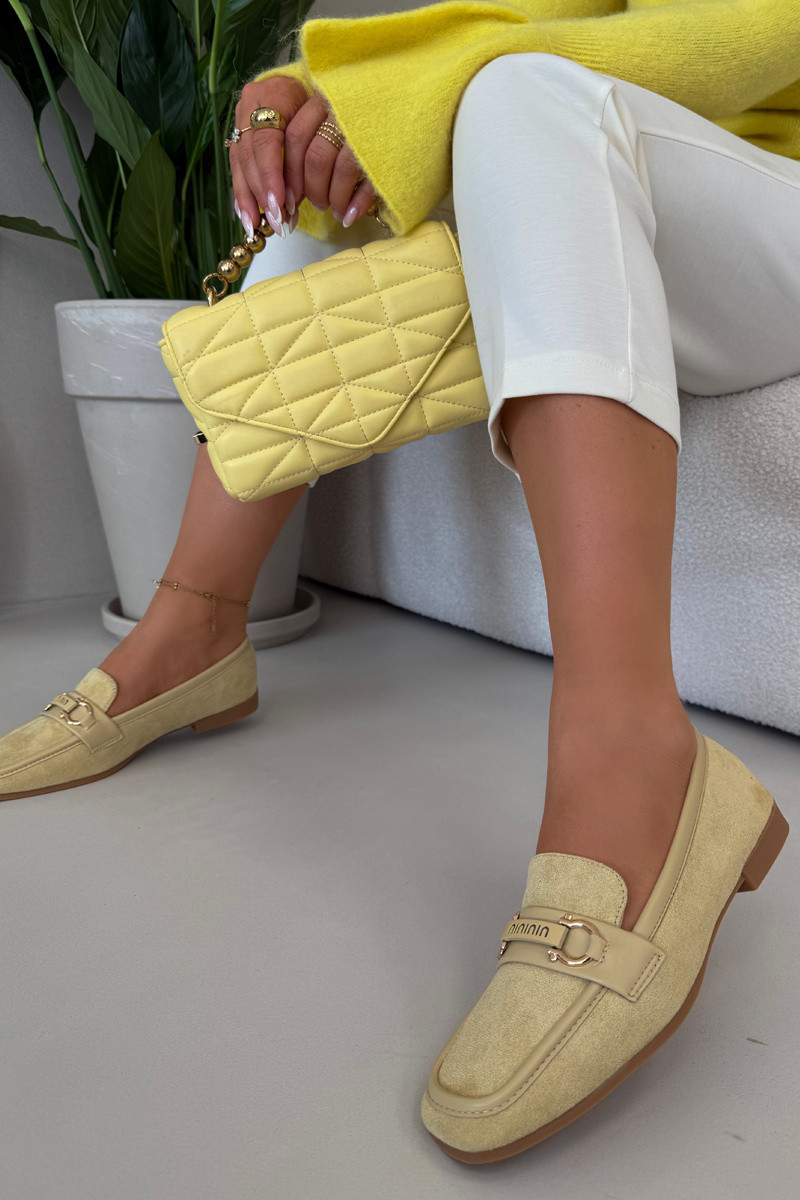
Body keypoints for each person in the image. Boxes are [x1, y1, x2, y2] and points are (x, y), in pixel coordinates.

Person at [1, 0, 797, 1166]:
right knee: (330, 174)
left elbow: (748, 38)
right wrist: (301, 102)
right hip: (648, 189)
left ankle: (631, 746)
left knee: (513, 97)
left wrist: (395, 96)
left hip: (767, 201)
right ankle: (194, 624)